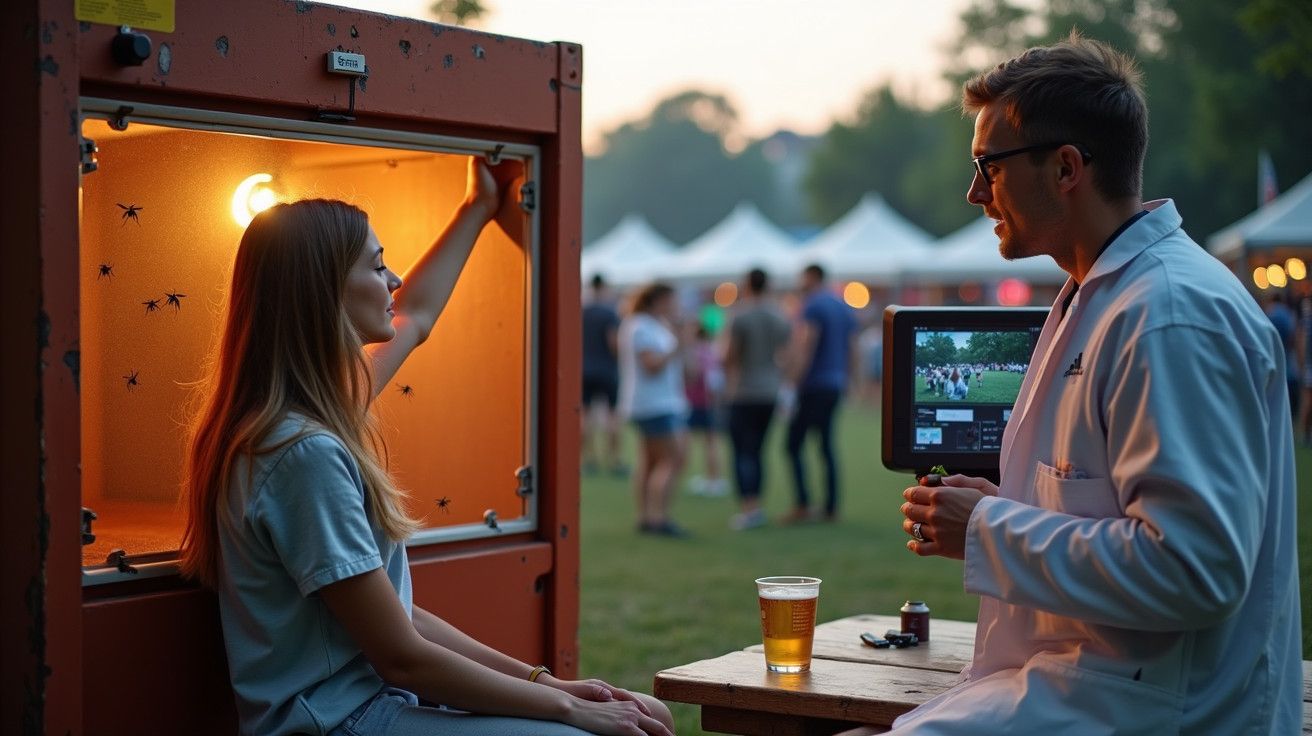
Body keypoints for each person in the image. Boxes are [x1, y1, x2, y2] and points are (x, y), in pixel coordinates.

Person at [179, 158, 674, 736]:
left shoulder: (318, 412)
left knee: (652, 714)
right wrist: (568, 708)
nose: (393, 280)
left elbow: (417, 314)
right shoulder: (301, 454)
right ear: (324, 289)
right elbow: (402, 657)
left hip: (379, 700)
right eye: (378, 264)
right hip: (341, 722)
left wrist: (477, 207)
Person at [894, 34, 1300, 734]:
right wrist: (1004, 507)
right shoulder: (1104, 295)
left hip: (1155, 714)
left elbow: (1194, 569)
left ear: (1066, 168)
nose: (973, 193)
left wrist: (990, 528)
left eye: (987, 166)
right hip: (1081, 694)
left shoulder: (1170, 315)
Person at [783, 263, 857, 523]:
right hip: (834, 384)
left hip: (813, 386)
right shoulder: (841, 305)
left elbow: (806, 346)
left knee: (793, 444)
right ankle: (831, 506)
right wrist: (850, 380)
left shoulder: (812, 305)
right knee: (826, 446)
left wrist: (792, 383)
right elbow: (852, 347)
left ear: (811, 277)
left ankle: (803, 504)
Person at [617, 282, 690, 537]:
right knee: (673, 459)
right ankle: (659, 517)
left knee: (649, 462)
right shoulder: (640, 326)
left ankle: (646, 516)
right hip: (654, 404)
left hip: (655, 402)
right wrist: (678, 346)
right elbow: (652, 364)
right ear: (658, 300)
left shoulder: (646, 325)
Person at [723, 268, 792, 530]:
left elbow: (729, 355)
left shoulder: (740, 316)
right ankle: (758, 505)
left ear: (746, 284)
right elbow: (788, 354)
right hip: (769, 390)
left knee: (742, 451)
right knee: (759, 450)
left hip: (743, 391)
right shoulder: (779, 316)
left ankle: (748, 507)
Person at [581, 274, 626, 477]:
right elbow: (613, 343)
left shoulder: (582, 311)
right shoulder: (609, 313)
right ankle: (614, 459)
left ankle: (589, 458)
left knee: (585, 416)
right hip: (606, 369)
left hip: (585, 369)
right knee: (612, 416)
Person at [683, 324, 727, 497]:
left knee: (706, 442)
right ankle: (712, 479)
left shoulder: (697, 353)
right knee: (710, 442)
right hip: (704, 403)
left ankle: (713, 480)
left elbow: (709, 381)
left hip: (697, 403)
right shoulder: (711, 352)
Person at [1264, 291, 1300, 421]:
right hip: (1287, 360)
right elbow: (1293, 337)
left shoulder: (1270, 313)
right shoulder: (1287, 314)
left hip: (1270, 358)